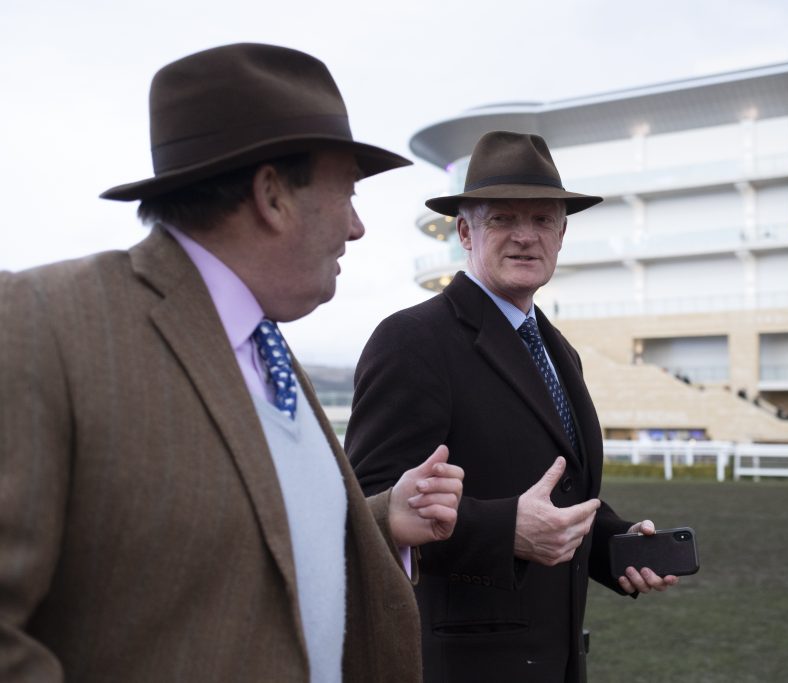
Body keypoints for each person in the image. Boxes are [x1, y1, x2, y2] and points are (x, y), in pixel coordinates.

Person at [0, 43, 465, 683]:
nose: (357, 227)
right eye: (348, 194)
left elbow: (230, 543)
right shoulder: (41, 324)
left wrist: (382, 520)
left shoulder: (264, 346)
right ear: (272, 195)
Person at [346, 131, 678, 683]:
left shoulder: (557, 349)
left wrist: (616, 544)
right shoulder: (412, 339)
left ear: (562, 234)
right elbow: (370, 503)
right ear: (464, 232)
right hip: (462, 665)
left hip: (556, 661)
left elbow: (557, 494)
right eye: (502, 219)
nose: (526, 236)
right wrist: (505, 530)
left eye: (543, 220)